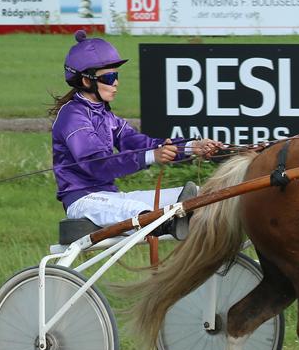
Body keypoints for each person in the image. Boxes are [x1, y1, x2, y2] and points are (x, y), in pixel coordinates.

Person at [49, 30, 224, 234]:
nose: (116, 83)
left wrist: (190, 147)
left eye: (117, 76)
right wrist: (153, 156)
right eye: (109, 77)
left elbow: (141, 143)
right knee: (144, 212)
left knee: (198, 198)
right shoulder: (73, 116)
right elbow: (98, 166)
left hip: (110, 197)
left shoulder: (106, 116)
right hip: (83, 201)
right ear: (87, 81)